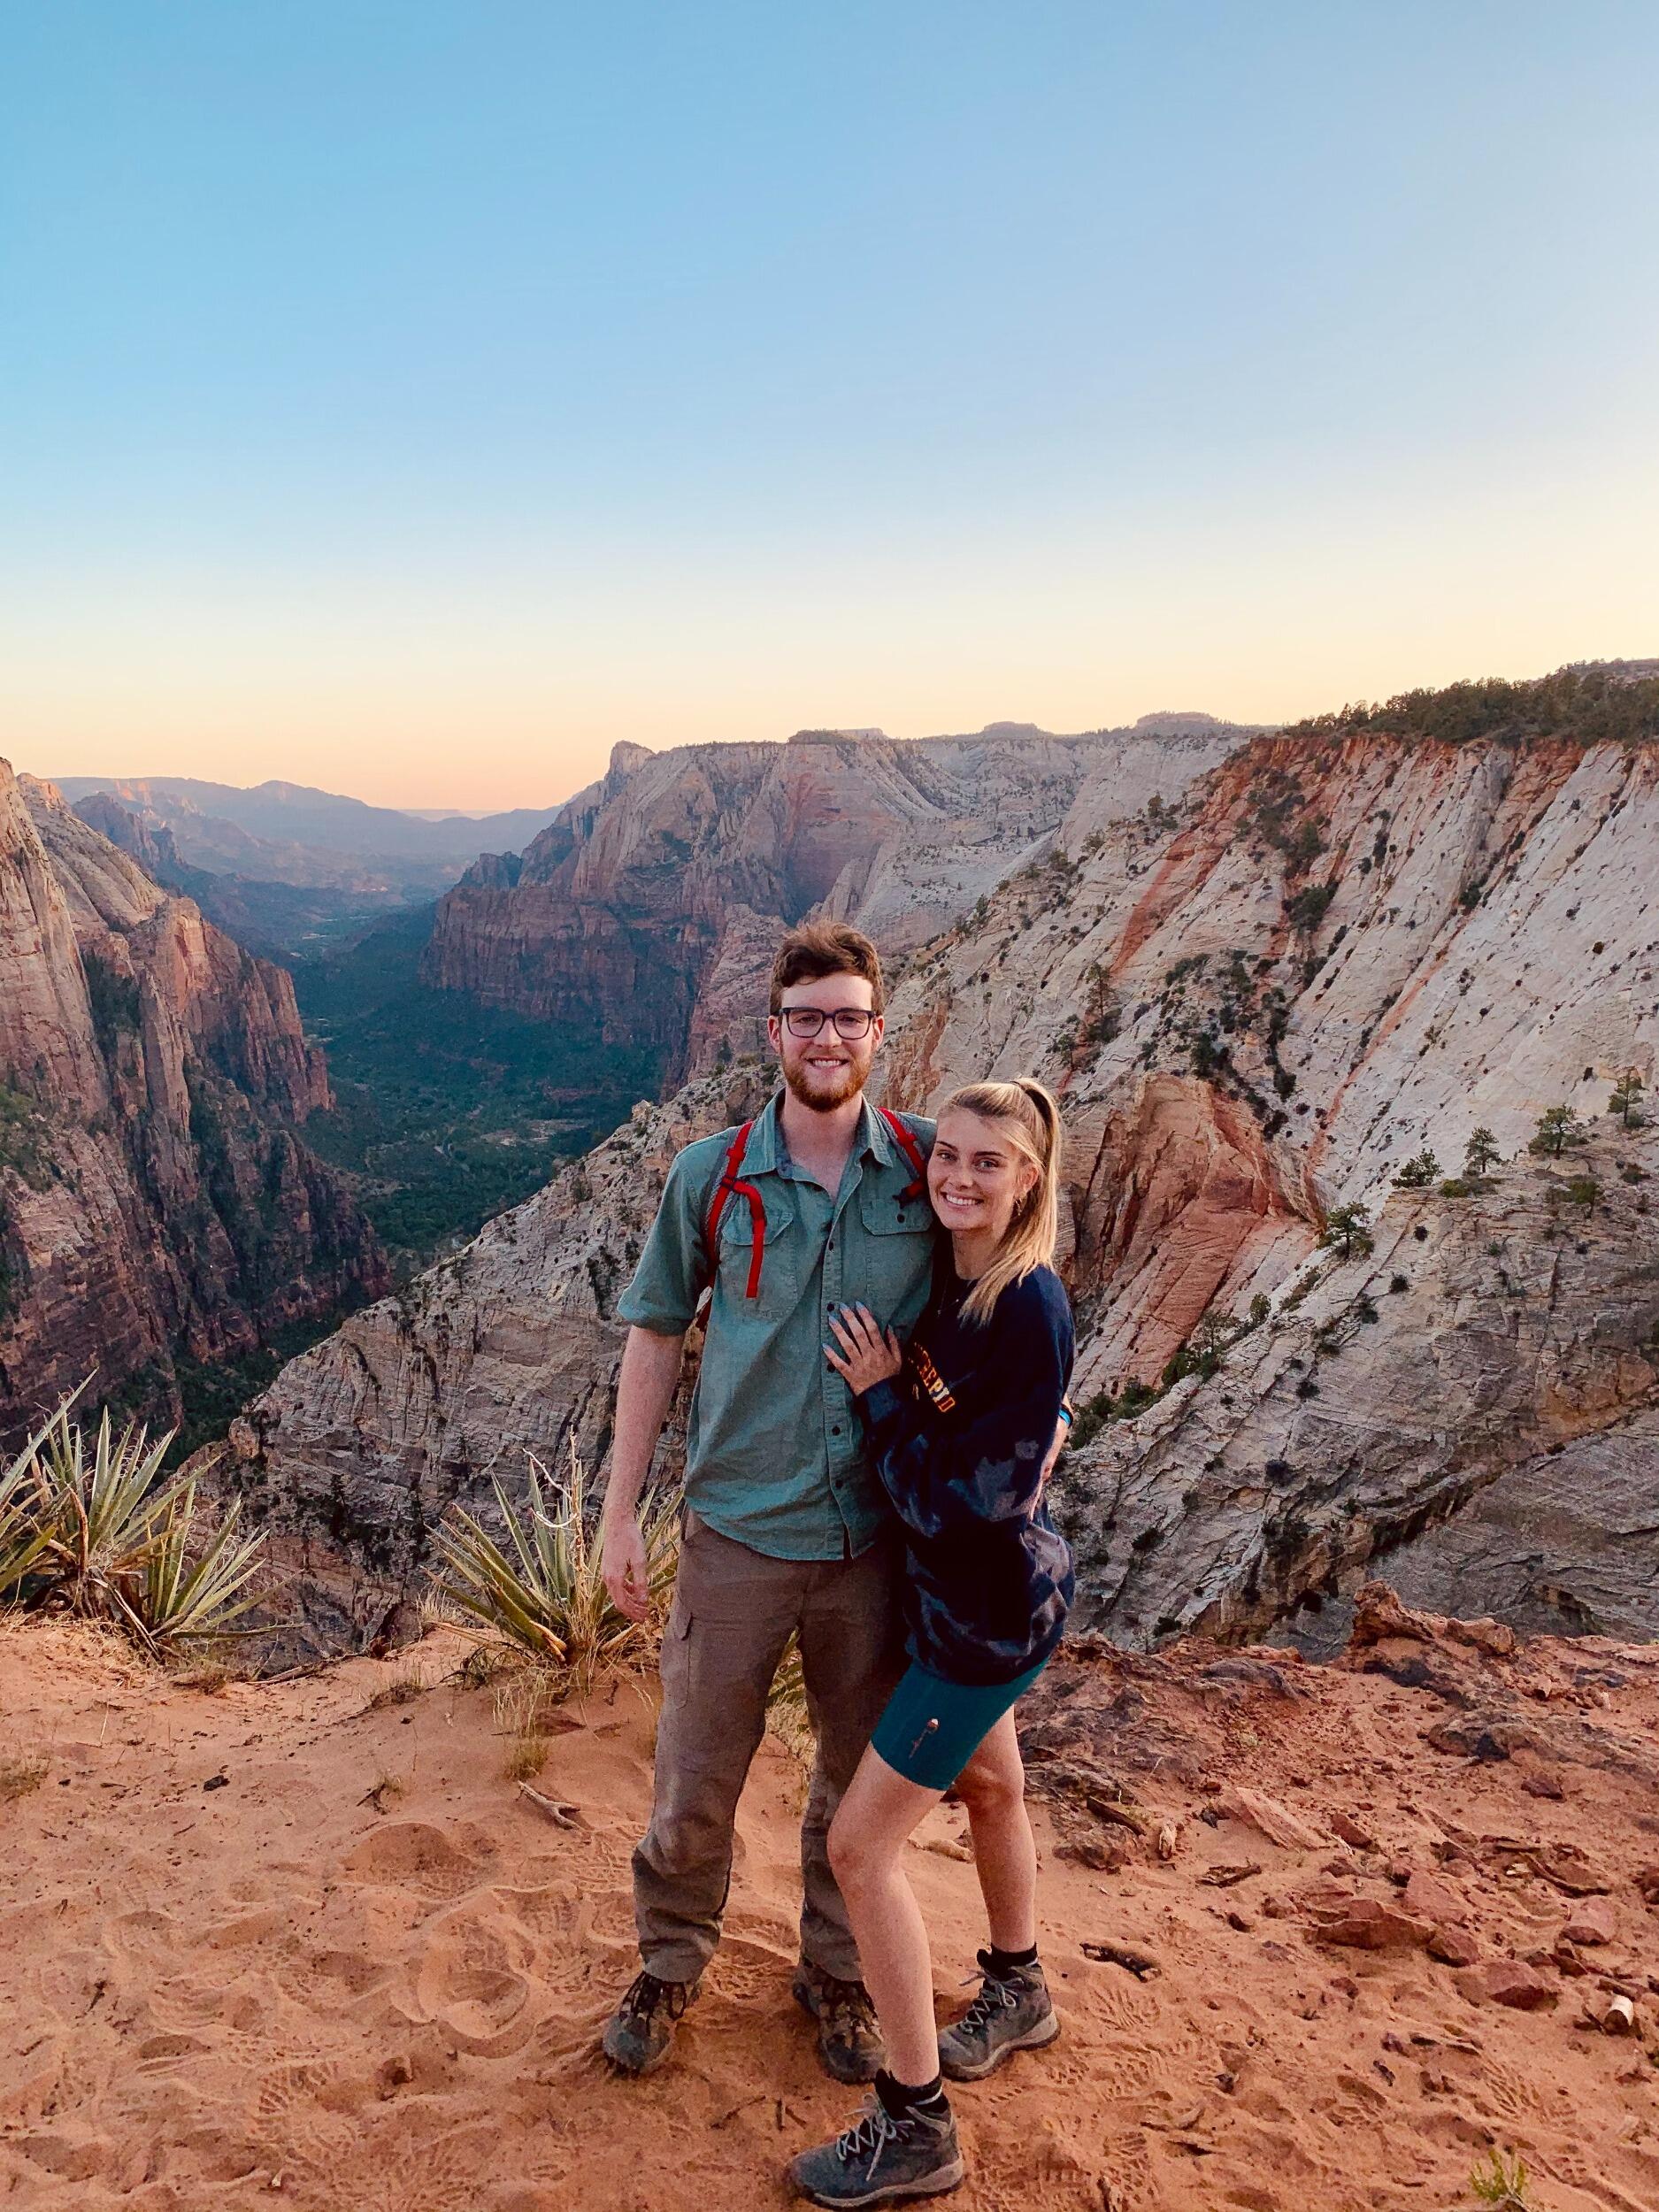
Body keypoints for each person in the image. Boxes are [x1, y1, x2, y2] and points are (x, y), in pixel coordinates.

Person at [597, 921, 939, 2083]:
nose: (828, 1037)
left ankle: (837, 1979)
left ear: (876, 1032)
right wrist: (616, 1510)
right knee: (694, 1780)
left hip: (873, 1546)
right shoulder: (711, 1175)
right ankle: (667, 1966)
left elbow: (1008, 1300)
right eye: (807, 1018)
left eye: (849, 1017)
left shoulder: (929, 1169)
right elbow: (652, 1336)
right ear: (772, 1033)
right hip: (735, 1533)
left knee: (853, 1787)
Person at [787, 1077, 1075, 2209]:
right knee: (995, 1791)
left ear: (1029, 1179)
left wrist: (879, 1399)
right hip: (994, 1606)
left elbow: (964, 1505)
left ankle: (916, 2124)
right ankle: (1019, 1984)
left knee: (862, 1849)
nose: (956, 1177)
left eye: (986, 1163)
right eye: (945, 1156)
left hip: (979, 1621)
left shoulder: (1023, 1304)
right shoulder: (961, 1281)